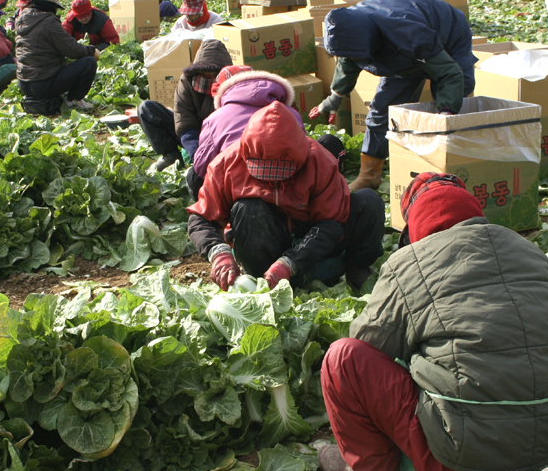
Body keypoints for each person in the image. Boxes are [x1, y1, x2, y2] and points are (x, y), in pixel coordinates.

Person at [318, 172, 548, 471]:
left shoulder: (410, 263)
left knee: (342, 360)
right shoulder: (530, 251)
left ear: (415, 227)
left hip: (459, 457)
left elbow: (367, 346)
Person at [187, 101, 385, 290]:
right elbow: (201, 218)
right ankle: (261, 276)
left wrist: (290, 263)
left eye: (284, 171)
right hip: (265, 239)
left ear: (301, 155)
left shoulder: (320, 160)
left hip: (312, 243)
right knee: (247, 207)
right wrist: (218, 252)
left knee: (368, 200)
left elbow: (331, 224)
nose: (273, 180)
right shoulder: (227, 163)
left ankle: (356, 268)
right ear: (247, 153)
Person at [309, 0, 476, 192]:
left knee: (452, 104)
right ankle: (369, 175)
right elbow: (348, 61)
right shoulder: (347, 31)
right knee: (382, 111)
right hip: (399, 55)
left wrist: (447, 114)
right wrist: (335, 97)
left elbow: (450, 73)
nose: (354, 59)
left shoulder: (407, 32)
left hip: (448, 33)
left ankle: (458, 167)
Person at [191, 64, 301, 198]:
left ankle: (208, 215)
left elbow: (201, 167)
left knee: (193, 176)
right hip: (288, 192)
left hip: (237, 192)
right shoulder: (292, 114)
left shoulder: (216, 118)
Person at [136, 40, 231, 172]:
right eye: (204, 73)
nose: (208, 77)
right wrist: (196, 155)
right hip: (193, 131)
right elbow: (184, 119)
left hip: (220, 140)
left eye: (213, 74)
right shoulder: (188, 80)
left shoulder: (233, 83)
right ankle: (171, 155)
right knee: (146, 108)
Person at [15, 0, 99, 115]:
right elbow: (72, 50)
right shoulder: (48, 22)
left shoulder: (21, 19)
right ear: (50, 6)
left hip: (24, 84)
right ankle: (73, 100)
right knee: (89, 62)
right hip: (43, 85)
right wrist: (92, 51)